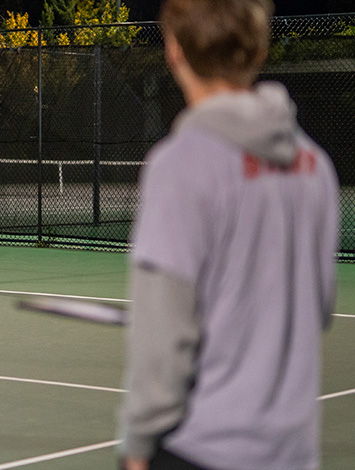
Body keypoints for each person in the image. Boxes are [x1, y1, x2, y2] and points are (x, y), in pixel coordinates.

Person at [117, 1, 339, 469]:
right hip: (293, 454)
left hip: (202, 448)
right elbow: (317, 308)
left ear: (175, 49)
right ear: (258, 50)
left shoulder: (179, 165)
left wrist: (137, 448)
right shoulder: (315, 165)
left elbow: (163, 337)